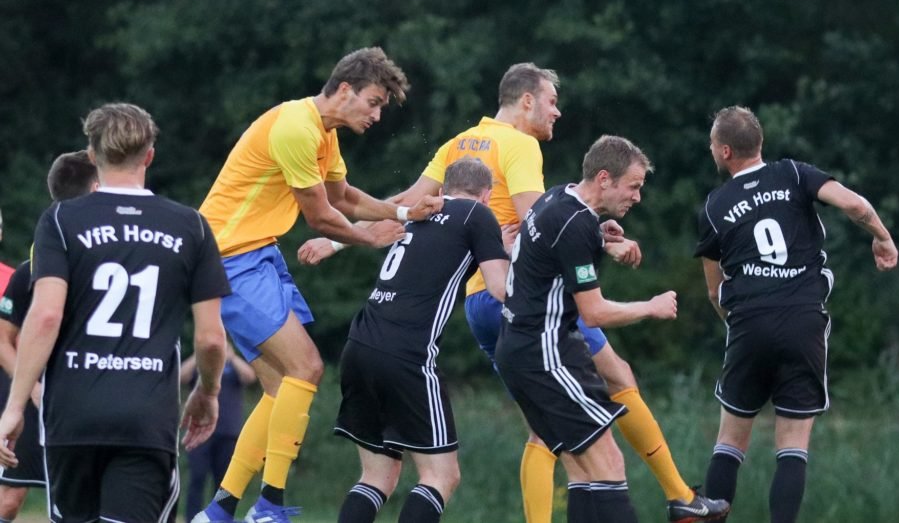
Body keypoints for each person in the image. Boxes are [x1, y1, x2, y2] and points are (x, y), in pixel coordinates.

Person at [301, 62, 708, 522]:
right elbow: (543, 226)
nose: (557, 112)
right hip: (518, 295)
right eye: (552, 101)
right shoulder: (519, 144)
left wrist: (338, 238)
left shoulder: (458, 143)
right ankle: (680, 495)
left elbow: (408, 203)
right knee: (618, 379)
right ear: (526, 101)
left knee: (544, 427)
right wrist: (605, 243)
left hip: (475, 305)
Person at [194, 47, 443, 523]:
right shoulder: (296, 128)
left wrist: (404, 212)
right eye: (373, 102)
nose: (376, 115)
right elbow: (321, 217)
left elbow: (343, 197)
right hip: (229, 260)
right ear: (345, 90)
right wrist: (368, 238)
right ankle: (268, 506)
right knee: (306, 368)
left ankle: (221, 509)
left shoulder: (323, 133)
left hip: (257, 255)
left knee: (280, 388)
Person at [0, 103, 229, 523]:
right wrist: (208, 392)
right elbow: (211, 338)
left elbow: (46, 317)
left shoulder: (60, 219)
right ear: (149, 155)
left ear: (92, 154)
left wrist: (15, 406)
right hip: (146, 420)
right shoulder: (191, 226)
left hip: (71, 418)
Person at [495, 135, 727, 523]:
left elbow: (555, 244)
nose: (637, 197)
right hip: (546, 355)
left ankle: (680, 500)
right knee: (609, 464)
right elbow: (594, 313)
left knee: (584, 471)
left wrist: (599, 237)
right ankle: (681, 501)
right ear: (604, 178)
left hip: (521, 350)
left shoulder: (557, 198)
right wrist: (650, 307)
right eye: (633, 186)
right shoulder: (576, 224)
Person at [694, 106, 898, 523]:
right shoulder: (793, 173)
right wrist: (882, 236)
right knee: (792, 445)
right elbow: (853, 204)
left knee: (729, 443)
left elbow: (715, 291)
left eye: (712, 145)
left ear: (725, 151)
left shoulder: (714, 207)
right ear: (760, 143)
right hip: (803, 321)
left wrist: (739, 325)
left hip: (749, 323)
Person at [334, 157, 510, 522]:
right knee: (441, 476)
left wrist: (495, 247)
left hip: (360, 344)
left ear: (442, 190)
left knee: (377, 477)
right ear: (487, 196)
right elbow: (499, 288)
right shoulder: (477, 215)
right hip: (406, 355)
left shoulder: (420, 213)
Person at [0, 150, 99, 521]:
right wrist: (31, 391)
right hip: (33, 395)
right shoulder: (33, 267)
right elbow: (4, 338)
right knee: (10, 498)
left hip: (94, 400)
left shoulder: (117, 261)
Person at [181, 346, 257, 521]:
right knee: (197, 477)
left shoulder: (232, 365)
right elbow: (181, 377)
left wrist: (232, 357)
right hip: (199, 432)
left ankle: (222, 517)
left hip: (228, 432)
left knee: (225, 483)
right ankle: (192, 518)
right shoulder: (201, 363)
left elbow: (250, 377)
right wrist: (198, 354)